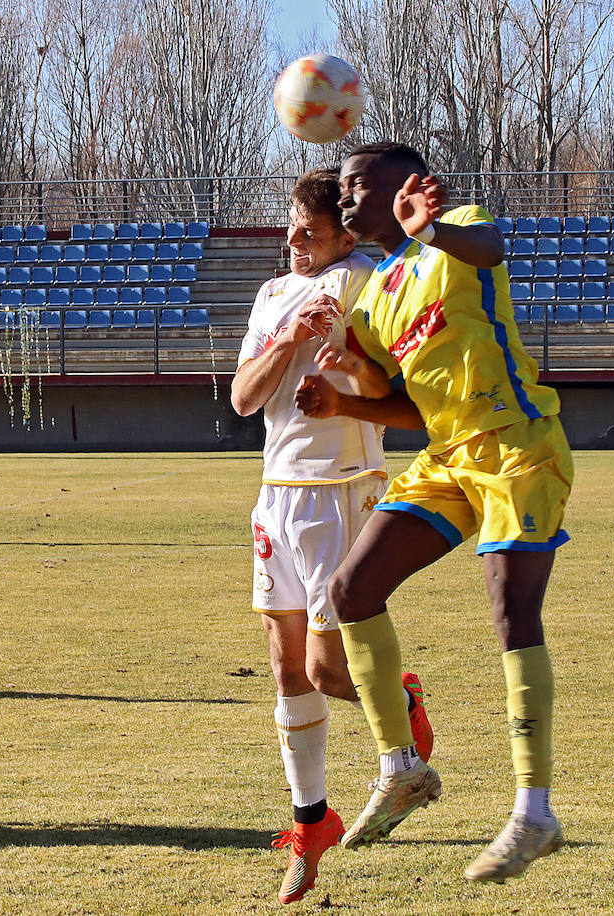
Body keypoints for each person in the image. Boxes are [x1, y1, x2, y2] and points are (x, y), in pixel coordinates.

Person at [294, 142, 574, 884]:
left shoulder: (456, 233)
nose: (346, 199)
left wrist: (433, 229)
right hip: (448, 456)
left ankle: (534, 811)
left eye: (360, 185)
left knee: (512, 613)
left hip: (517, 445)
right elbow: (408, 408)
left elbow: (490, 247)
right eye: (343, 188)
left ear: (406, 188)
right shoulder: (377, 295)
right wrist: (343, 396)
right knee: (350, 591)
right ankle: (401, 768)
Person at [232, 168, 434, 905]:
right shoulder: (272, 294)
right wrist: (286, 339)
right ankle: (310, 822)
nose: (293, 241)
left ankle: (403, 708)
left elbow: (398, 358)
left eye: (309, 231)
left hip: (340, 492)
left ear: (346, 235)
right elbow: (244, 396)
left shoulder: (364, 276)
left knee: (323, 671)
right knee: (286, 671)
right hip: (274, 498)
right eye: (289, 226)